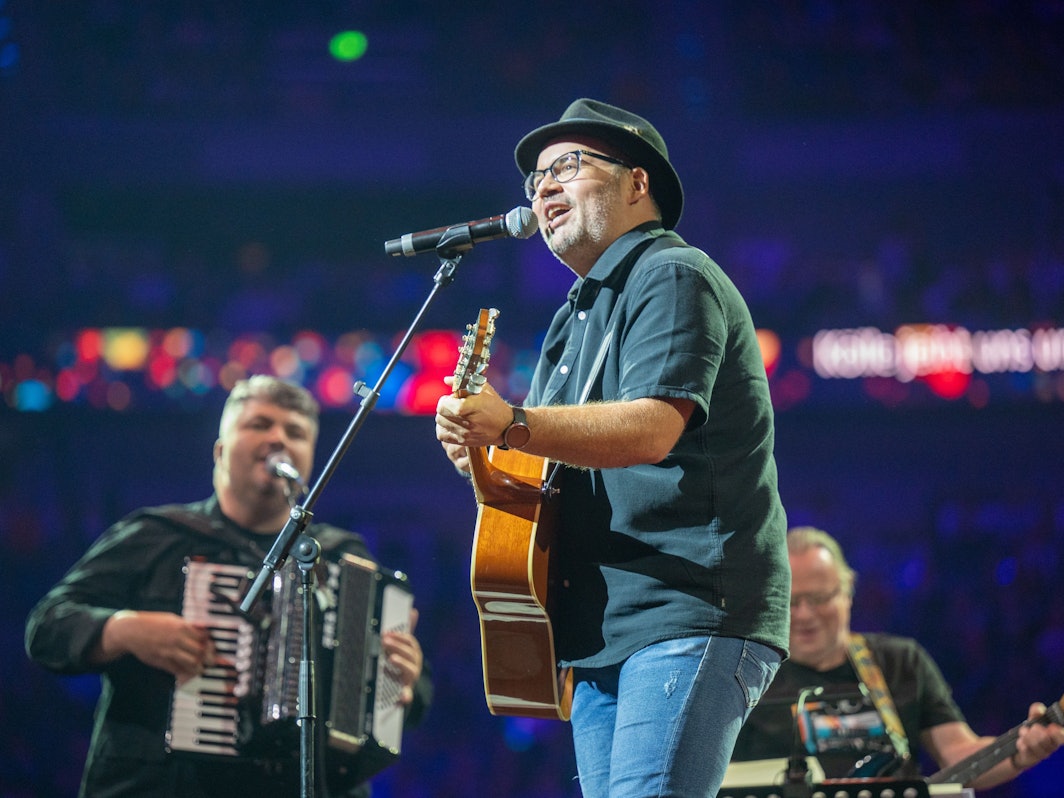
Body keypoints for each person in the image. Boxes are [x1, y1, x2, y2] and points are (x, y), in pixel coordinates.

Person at [434, 98, 790, 798]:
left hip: (687, 606)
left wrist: (511, 423)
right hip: (606, 627)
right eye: (535, 179)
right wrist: (484, 452)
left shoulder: (671, 275)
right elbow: (544, 461)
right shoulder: (573, 317)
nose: (543, 189)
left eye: (567, 166)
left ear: (637, 184)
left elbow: (653, 429)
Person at [25, 375, 431, 798]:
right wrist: (122, 630)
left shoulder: (344, 558)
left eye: (296, 433)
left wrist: (405, 678)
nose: (278, 439)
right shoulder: (155, 535)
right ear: (220, 451)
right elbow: (46, 626)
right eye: (259, 424)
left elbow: (411, 699)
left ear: (309, 462)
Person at [730, 526, 1064, 790]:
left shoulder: (900, 661)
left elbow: (959, 754)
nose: (804, 614)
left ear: (848, 592)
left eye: (820, 598)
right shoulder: (746, 672)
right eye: (791, 600)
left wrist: (1021, 752)